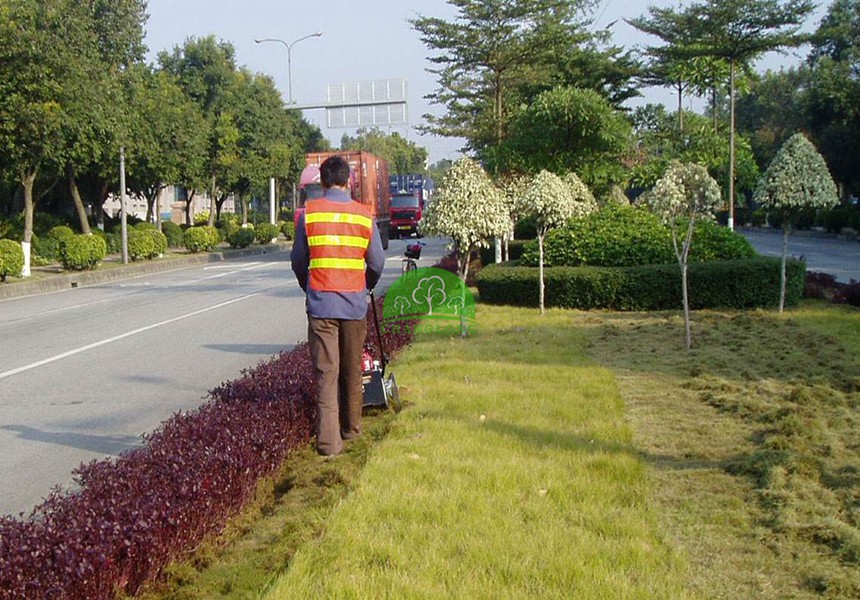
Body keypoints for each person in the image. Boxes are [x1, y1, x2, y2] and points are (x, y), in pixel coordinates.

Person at [291, 155, 385, 457]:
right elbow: (377, 262)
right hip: (354, 305)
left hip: (321, 306)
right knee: (352, 371)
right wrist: (365, 284)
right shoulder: (363, 215)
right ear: (349, 181)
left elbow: (298, 261)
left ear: (322, 180)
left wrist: (309, 285)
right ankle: (352, 429)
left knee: (326, 373)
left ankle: (329, 444)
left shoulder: (309, 215)